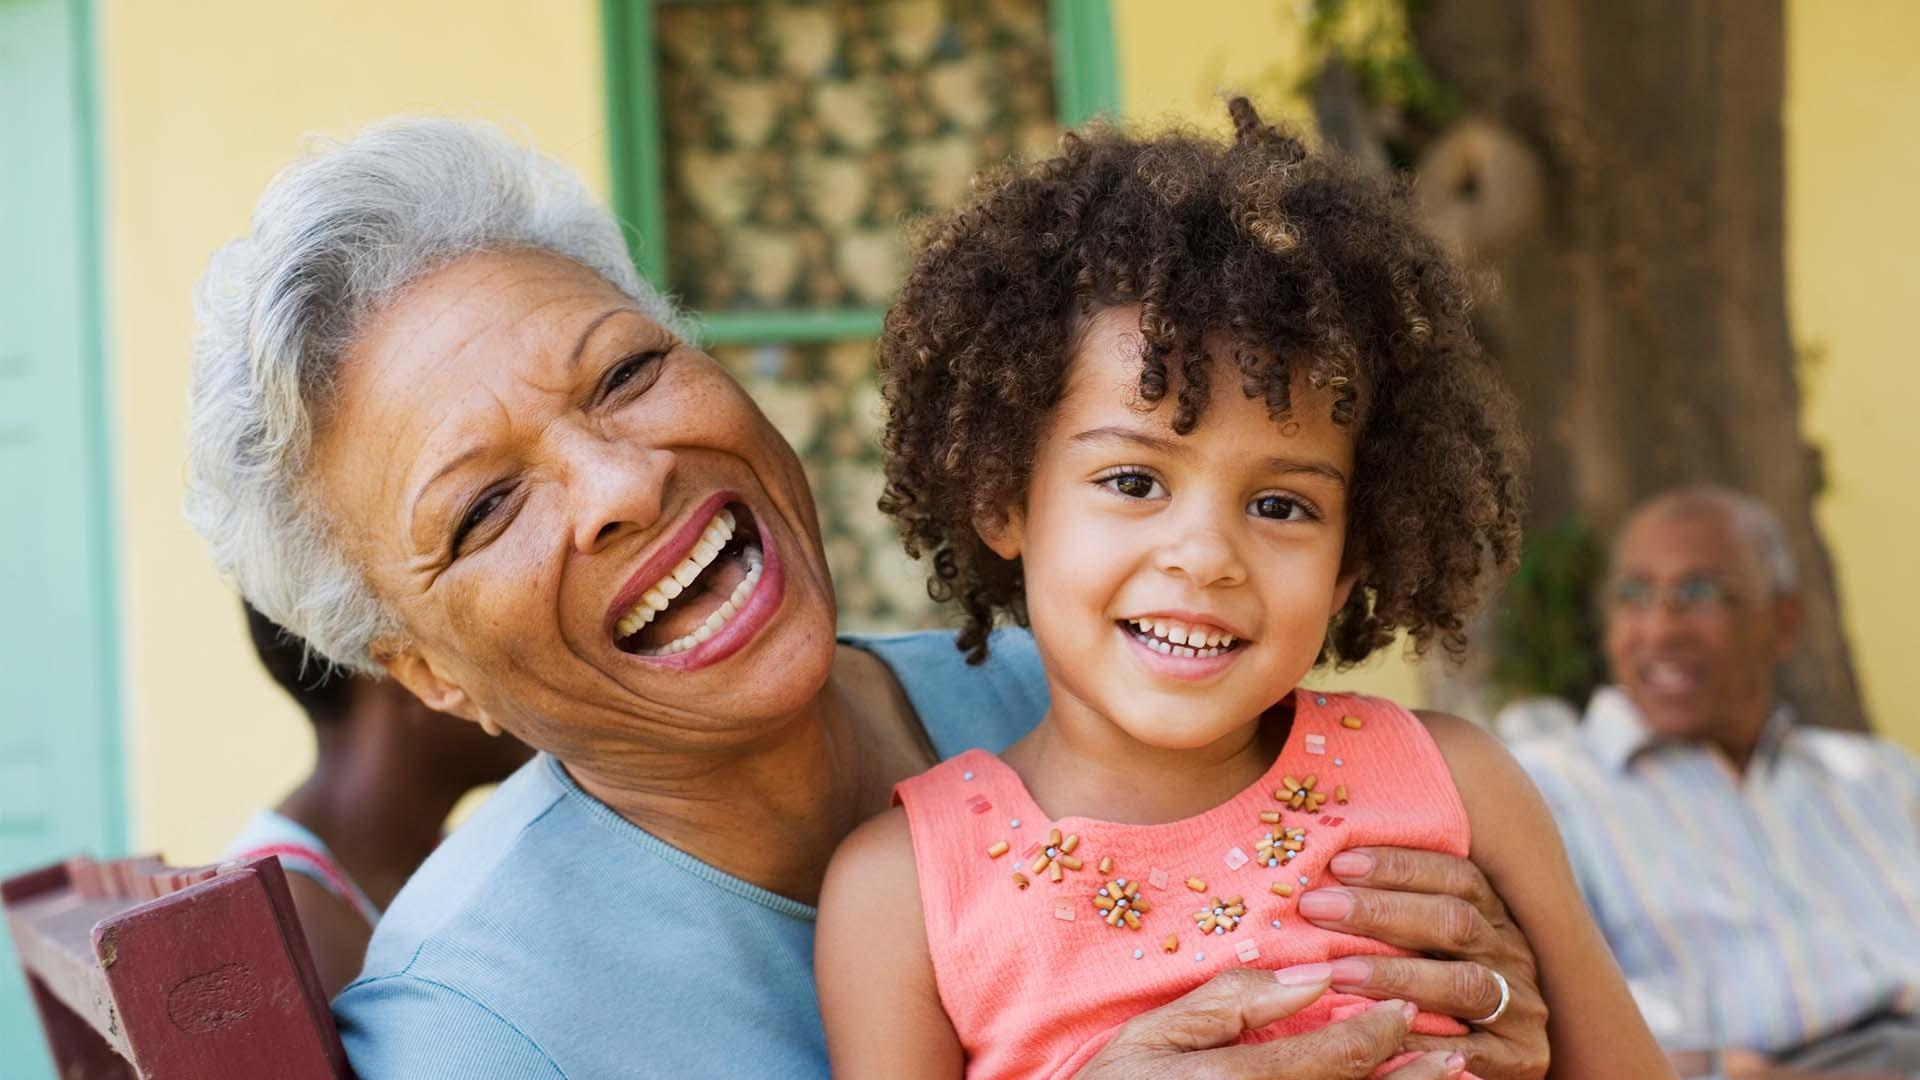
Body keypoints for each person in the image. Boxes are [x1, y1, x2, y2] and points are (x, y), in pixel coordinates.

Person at [185, 115, 1555, 1079]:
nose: (614, 483)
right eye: (485, 509)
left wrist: (1496, 1007)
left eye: (625, 373)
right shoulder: (484, 1029)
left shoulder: (1090, 693)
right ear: (425, 670)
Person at [814, 99, 1670, 1080]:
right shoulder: (901, 895)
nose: (1208, 556)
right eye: (1133, 482)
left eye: (1281, 505)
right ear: (1005, 499)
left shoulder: (1459, 786)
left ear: (1354, 550)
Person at [1513, 486, 1920, 1079]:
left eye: (1698, 593)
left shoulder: (1882, 776)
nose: (1661, 627)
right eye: (1635, 594)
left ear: (1783, 623)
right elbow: (1537, 1023)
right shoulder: (1547, 789)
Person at [224, 602, 531, 995]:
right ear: (407, 670)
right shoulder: (290, 922)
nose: (532, 677)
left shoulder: (439, 863)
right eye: (483, 640)